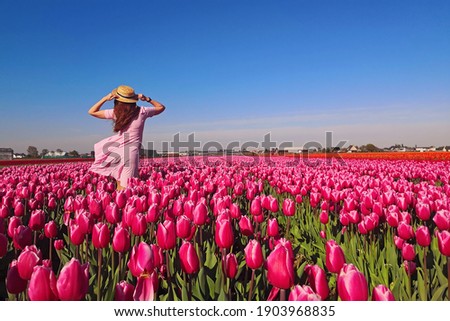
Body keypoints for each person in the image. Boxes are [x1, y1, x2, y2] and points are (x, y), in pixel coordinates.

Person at [88, 85, 165, 190]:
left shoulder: (116, 113)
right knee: (126, 188)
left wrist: (105, 98)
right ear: (133, 100)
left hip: (116, 150)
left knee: (120, 185)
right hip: (130, 153)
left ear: (117, 100)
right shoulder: (142, 111)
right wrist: (147, 99)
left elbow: (92, 111)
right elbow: (161, 107)